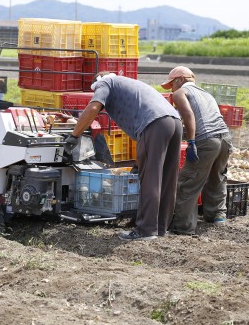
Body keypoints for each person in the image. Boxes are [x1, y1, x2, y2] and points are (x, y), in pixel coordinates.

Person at [64, 72, 182, 241]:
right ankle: (160, 228)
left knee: (150, 178)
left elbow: (93, 107)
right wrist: (138, 163)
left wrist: (74, 136)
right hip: (174, 122)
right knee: (167, 178)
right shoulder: (128, 84)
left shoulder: (105, 83)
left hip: (155, 122)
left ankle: (146, 230)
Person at [161, 66, 232, 235]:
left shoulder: (180, 93)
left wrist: (191, 141)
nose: (171, 89)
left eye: (171, 85)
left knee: (188, 182)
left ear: (180, 80)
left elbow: (188, 116)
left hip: (207, 141)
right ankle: (217, 215)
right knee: (217, 177)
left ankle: (183, 226)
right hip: (225, 139)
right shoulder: (207, 94)